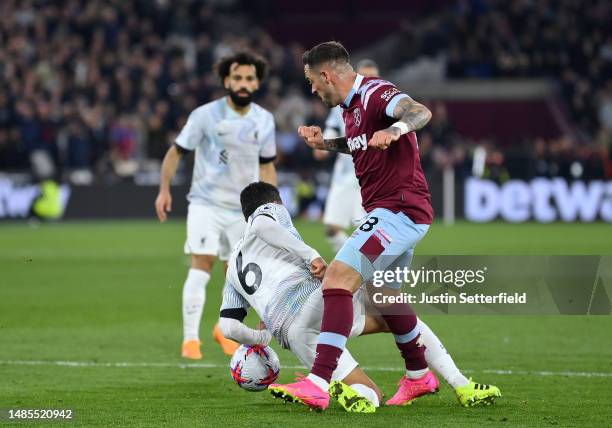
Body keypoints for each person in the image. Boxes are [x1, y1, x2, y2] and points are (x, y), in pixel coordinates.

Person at [268, 41, 464, 411]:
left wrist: (397, 130)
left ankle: (317, 382)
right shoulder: (350, 109)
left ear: (327, 74)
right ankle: (419, 376)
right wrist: (325, 144)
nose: (313, 89)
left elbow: (419, 112)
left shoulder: (375, 93)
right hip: (396, 211)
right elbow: (359, 144)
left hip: (398, 211)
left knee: (338, 278)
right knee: (385, 298)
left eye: (312, 82)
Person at [220, 182, 500, 413]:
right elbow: (261, 227)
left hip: (293, 335)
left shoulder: (232, 266)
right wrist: (311, 255)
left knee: (371, 393)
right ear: (275, 202)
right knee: (388, 299)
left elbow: (229, 328)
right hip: (314, 301)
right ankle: (456, 381)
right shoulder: (270, 212)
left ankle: (348, 390)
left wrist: (261, 340)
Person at [154, 51, 278, 360]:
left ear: (257, 83)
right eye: (237, 77)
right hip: (206, 204)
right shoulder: (205, 115)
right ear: (226, 80)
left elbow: (267, 165)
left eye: (250, 78)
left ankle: (223, 329)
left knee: (237, 274)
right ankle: (190, 340)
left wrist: (273, 206)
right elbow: (176, 152)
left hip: (243, 209)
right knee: (203, 262)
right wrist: (164, 189)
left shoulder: (264, 120)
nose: (243, 83)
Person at [316, 59, 378, 252]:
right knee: (332, 229)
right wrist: (323, 143)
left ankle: (365, 267)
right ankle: (356, 260)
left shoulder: (381, 105)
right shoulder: (341, 102)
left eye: (373, 77)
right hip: (343, 174)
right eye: (364, 76)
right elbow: (333, 127)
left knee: (367, 229)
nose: (368, 81)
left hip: (371, 175)